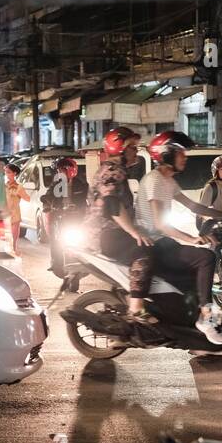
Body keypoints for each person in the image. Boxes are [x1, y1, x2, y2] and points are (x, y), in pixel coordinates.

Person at [137, 131, 222, 344]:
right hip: (155, 245)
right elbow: (159, 224)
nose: (184, 158)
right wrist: (191, 238)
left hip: (164, 242)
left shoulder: (168, 181)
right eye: (180, 154)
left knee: (197, 272)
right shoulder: (155, 180)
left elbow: (193, 206)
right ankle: (206, 317)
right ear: (166, 155)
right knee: (206, 258)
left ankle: (192, 327)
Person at [88, 126, 154, 320]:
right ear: (120, 149)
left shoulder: (114, 170)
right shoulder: (113, 171)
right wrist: (134, 232)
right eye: (132, 148)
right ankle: (136, 307)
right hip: (105, 234)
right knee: (143, 251)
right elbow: (112, 204)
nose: (136, 152)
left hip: (111, 232)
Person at [41, 156, 88, 277]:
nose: (58, 173)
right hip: (60, 218)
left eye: (61, 170)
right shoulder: (56, 184)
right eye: (58, 171)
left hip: (77, 219)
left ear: (69, 170)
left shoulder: (82, 185)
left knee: (87, 239)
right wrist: (46, 203)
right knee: (55, 239)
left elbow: (88, 199)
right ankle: (56, 262)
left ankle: (87, 261)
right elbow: (48, 195)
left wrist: (88, 208)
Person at [199, 155, 222, 227]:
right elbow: (201, 211)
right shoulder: (211, 187)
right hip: (217, 227)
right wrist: (213, 223)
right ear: (216, 171)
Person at [3, 162, 30, 246]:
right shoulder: (3, 186)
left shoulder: (19, 187)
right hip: (4, 213)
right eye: (5, 172)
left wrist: (19, 194)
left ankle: (14, 248)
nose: (6, 174)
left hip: (15, 213)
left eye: (8, 172)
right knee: (4, 236)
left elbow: (28, 198)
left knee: (13, 236)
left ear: (14, 173)